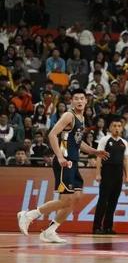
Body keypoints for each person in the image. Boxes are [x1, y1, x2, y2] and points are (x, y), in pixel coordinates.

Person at [17, 89, 108, 243]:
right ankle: (29, 215)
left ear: (86, 101)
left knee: (76, 198)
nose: (79, 101)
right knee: (66, 200)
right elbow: (52, 134)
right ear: (71, 101)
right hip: (64, 161)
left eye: (82, 98)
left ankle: (50, 231)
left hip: (73, 162)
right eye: (76, 98)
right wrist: (59, 156)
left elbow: (78, 142)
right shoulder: (68, 115)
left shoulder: (81, 118)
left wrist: (94, 151)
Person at [93, 117, 128, 234]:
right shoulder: (104, 140)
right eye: (114, 126)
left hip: (118, 173)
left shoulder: (124, 143)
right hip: (107, 171)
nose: (117, 128)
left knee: (113, 201)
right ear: (110, 127)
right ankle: (97, 227)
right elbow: (99, 157)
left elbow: (125, 161)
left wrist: (127, 177)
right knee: (103, 200)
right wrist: (98, 173)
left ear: (122, 128)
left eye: (119, 126)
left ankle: (108, 227)